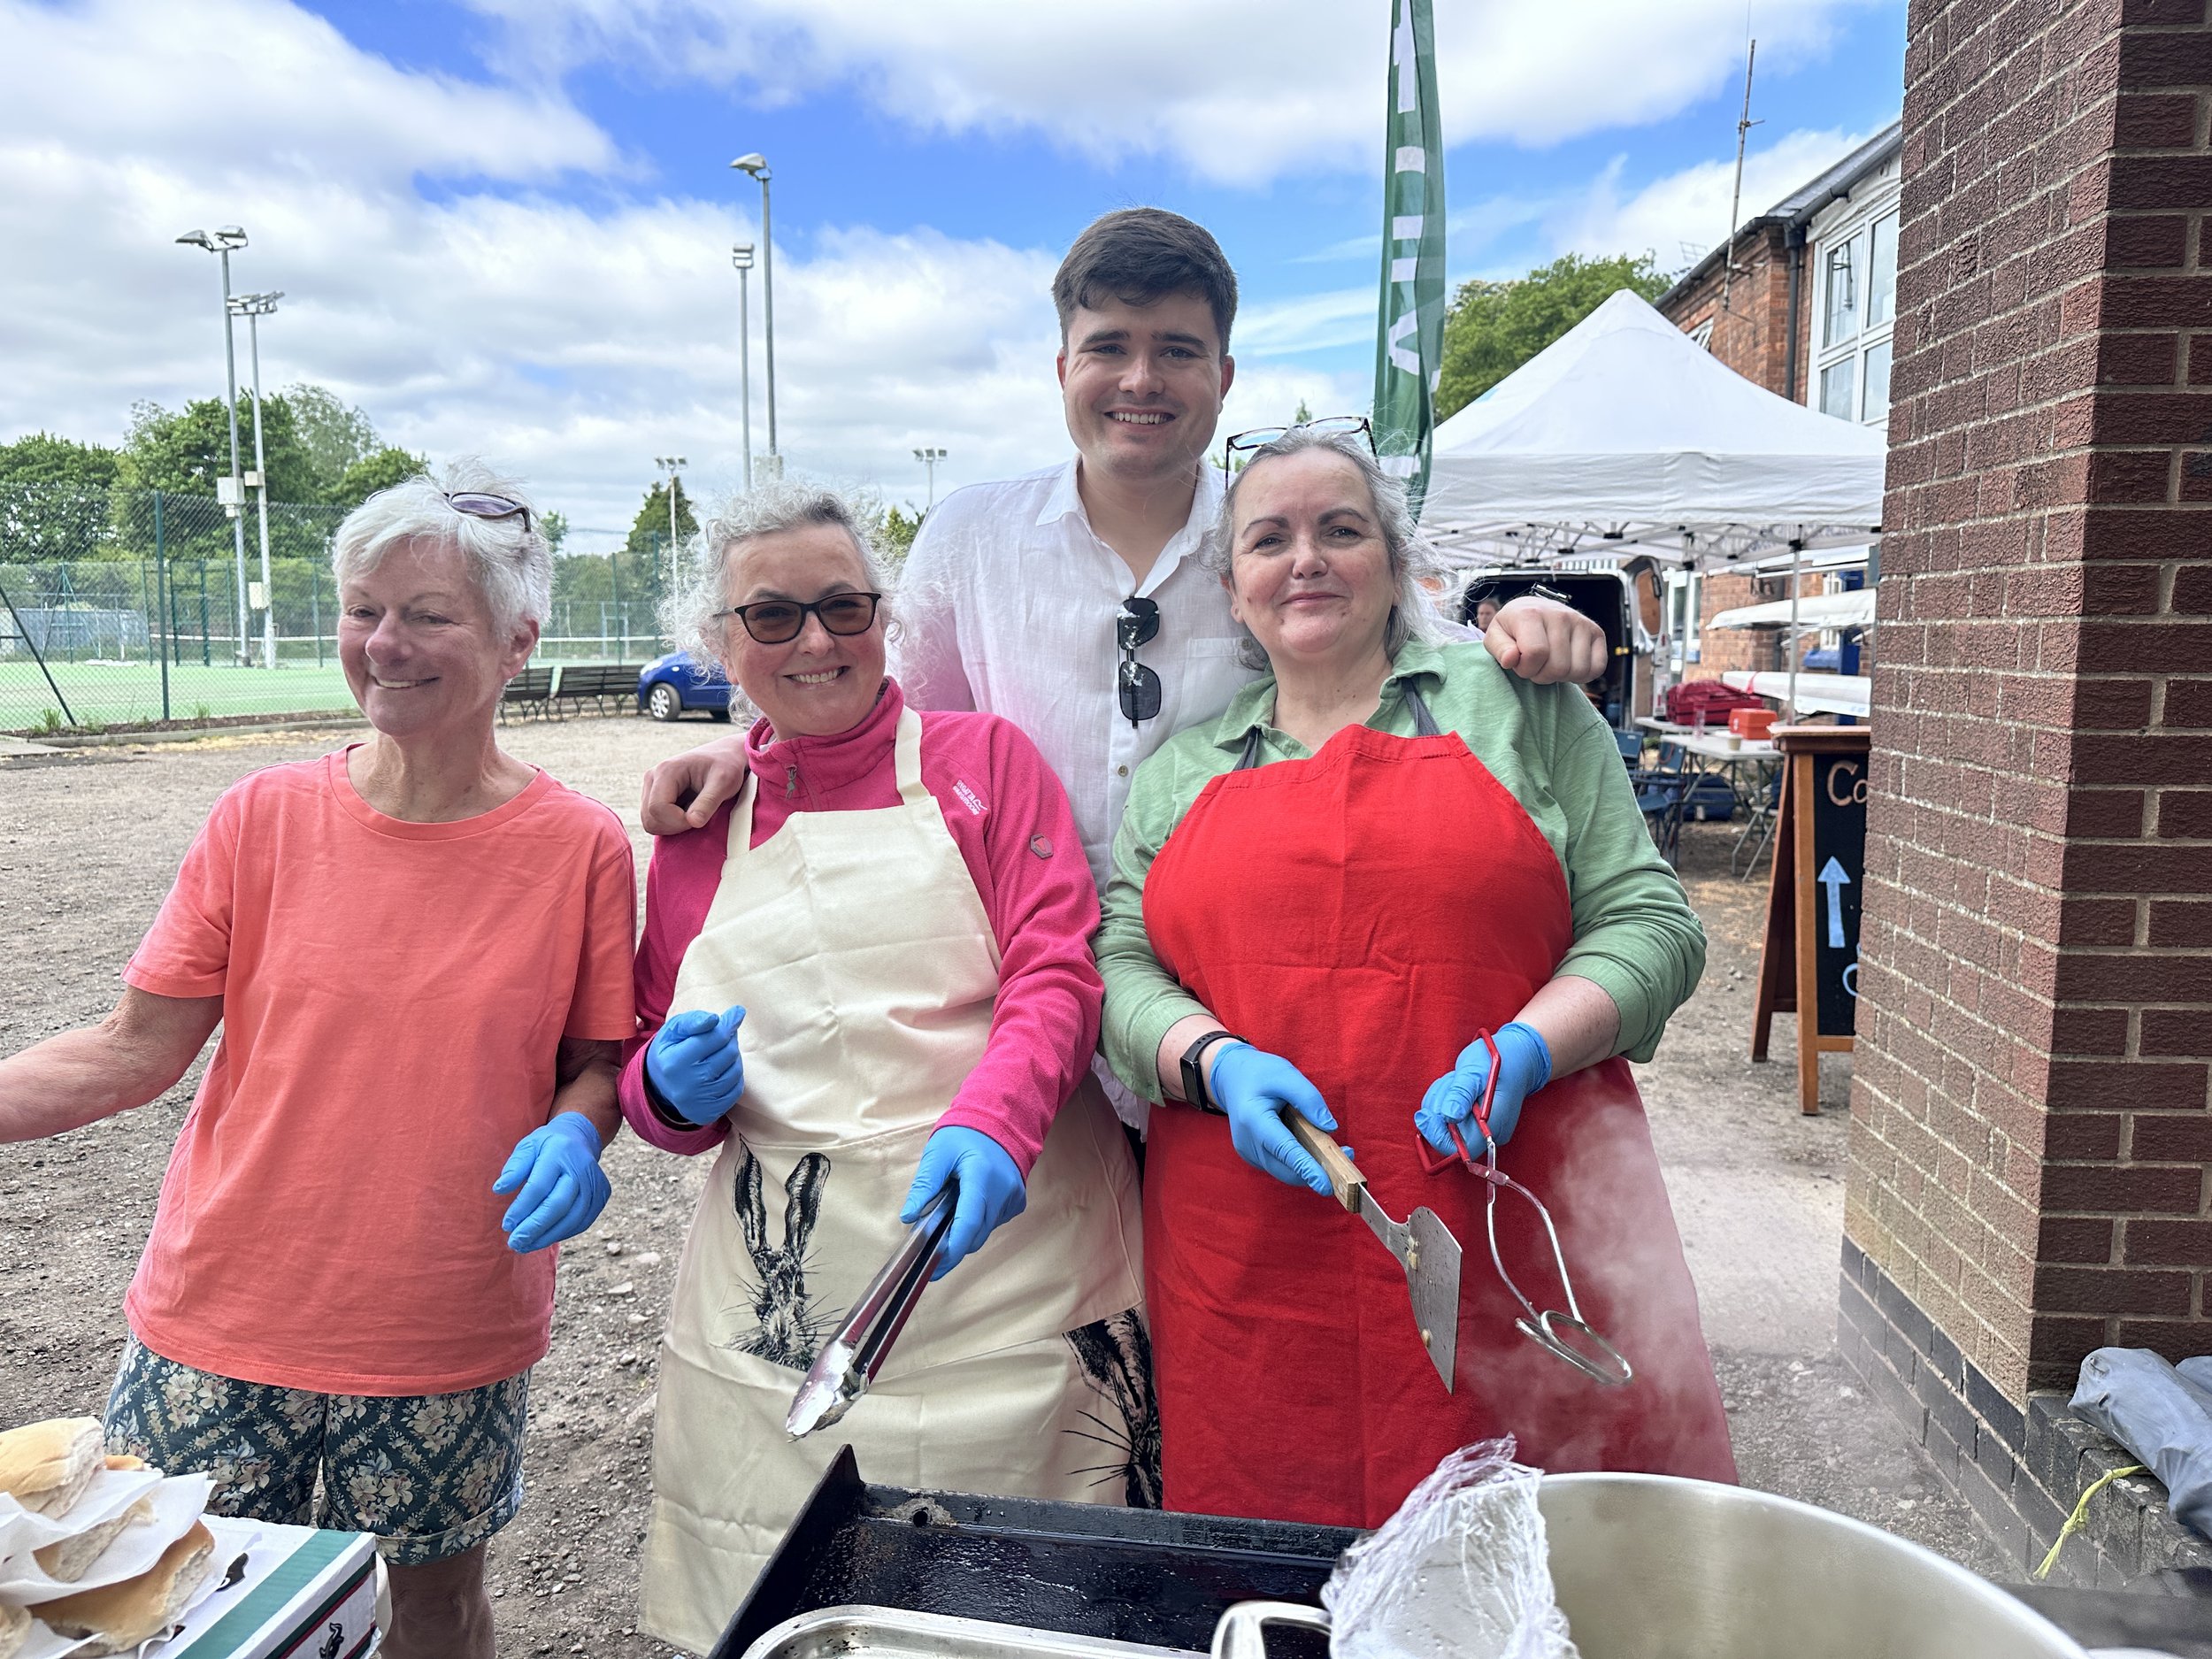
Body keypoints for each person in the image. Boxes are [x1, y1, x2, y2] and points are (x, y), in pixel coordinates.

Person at [639, 208, 1609, 1120]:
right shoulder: (969, 538)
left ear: (1223, 375)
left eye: (1176, 351)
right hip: (1012, 1030)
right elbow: (882, 738)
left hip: (1240, 1029)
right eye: (1109, 347)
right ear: (1062, 365)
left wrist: (1520, 613)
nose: (1140, 379)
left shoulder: (1272, 531)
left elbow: (1400, 648)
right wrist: (757, 753)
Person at [0, 466, 637, 1659]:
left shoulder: (581, 848)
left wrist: (577, 1123)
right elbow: (134, 1048)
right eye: (362, 609)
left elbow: (597, 1062)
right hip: (220, 1311)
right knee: (183, 1606)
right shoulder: (261, 817)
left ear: (516, 641)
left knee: (435, 1609)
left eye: (428, 614)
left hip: (446, 1321)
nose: (385, 644)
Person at [1095, 428, 1737, 1528]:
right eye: (1269, 539)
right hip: (1251, 1254)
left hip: (1509, 1215)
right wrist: (1212, 1061)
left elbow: (1650, 924)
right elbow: (1115, 965)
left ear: (1395, 566)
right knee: (1282, 1568)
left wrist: (1529, 1045)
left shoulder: (1520, 707)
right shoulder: (1178, 772)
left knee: (1532, 1562)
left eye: (1341, 530)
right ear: (1232, 589)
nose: (1305, 558)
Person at [621, 483, 1145, 1654]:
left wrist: (999, 1118)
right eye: (772, 616)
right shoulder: (701, 827)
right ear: (718, 643)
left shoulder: (983, 762)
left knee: (1029, 1612)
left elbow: (1058, 966)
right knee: (807, 1612)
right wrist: (666, 1090)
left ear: (885, 616)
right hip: (786, 1323)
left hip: (1015, 1274)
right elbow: (648, 1051)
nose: (816, 639)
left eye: (844, 605)